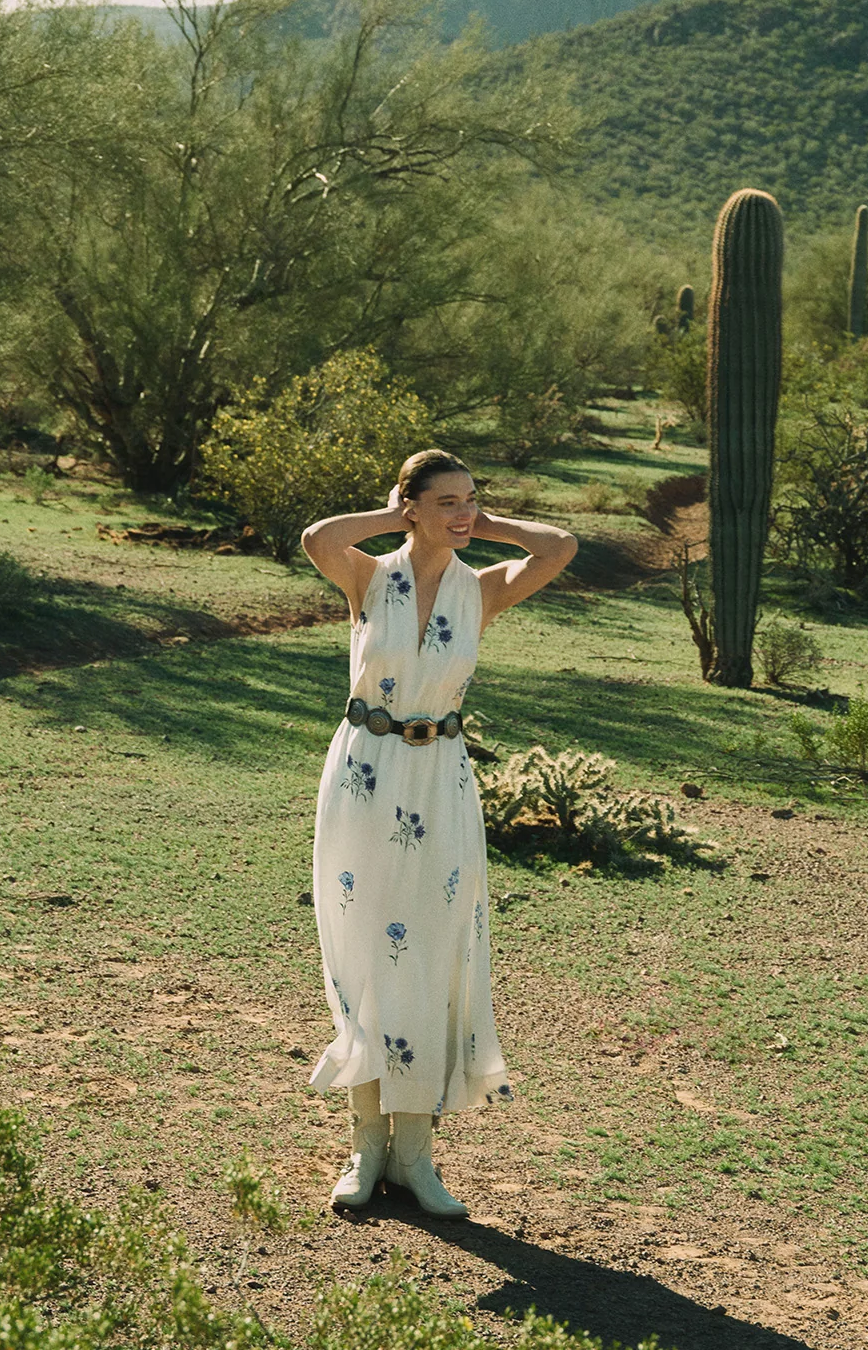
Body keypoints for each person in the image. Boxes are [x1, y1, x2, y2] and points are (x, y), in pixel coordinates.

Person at [300, 448, 577, 1216]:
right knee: (361, 958)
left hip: (441, 779)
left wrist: (484, 524)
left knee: (429, 953)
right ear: (409, 504)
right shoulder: (366, 577)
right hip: (363, 776)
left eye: (472, 501)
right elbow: (318, 537)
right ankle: (366, 1149)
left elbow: (559, 548)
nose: (463, 513)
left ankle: (415, 1155)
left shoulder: (482, 589)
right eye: (446, 501)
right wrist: (396, 519)